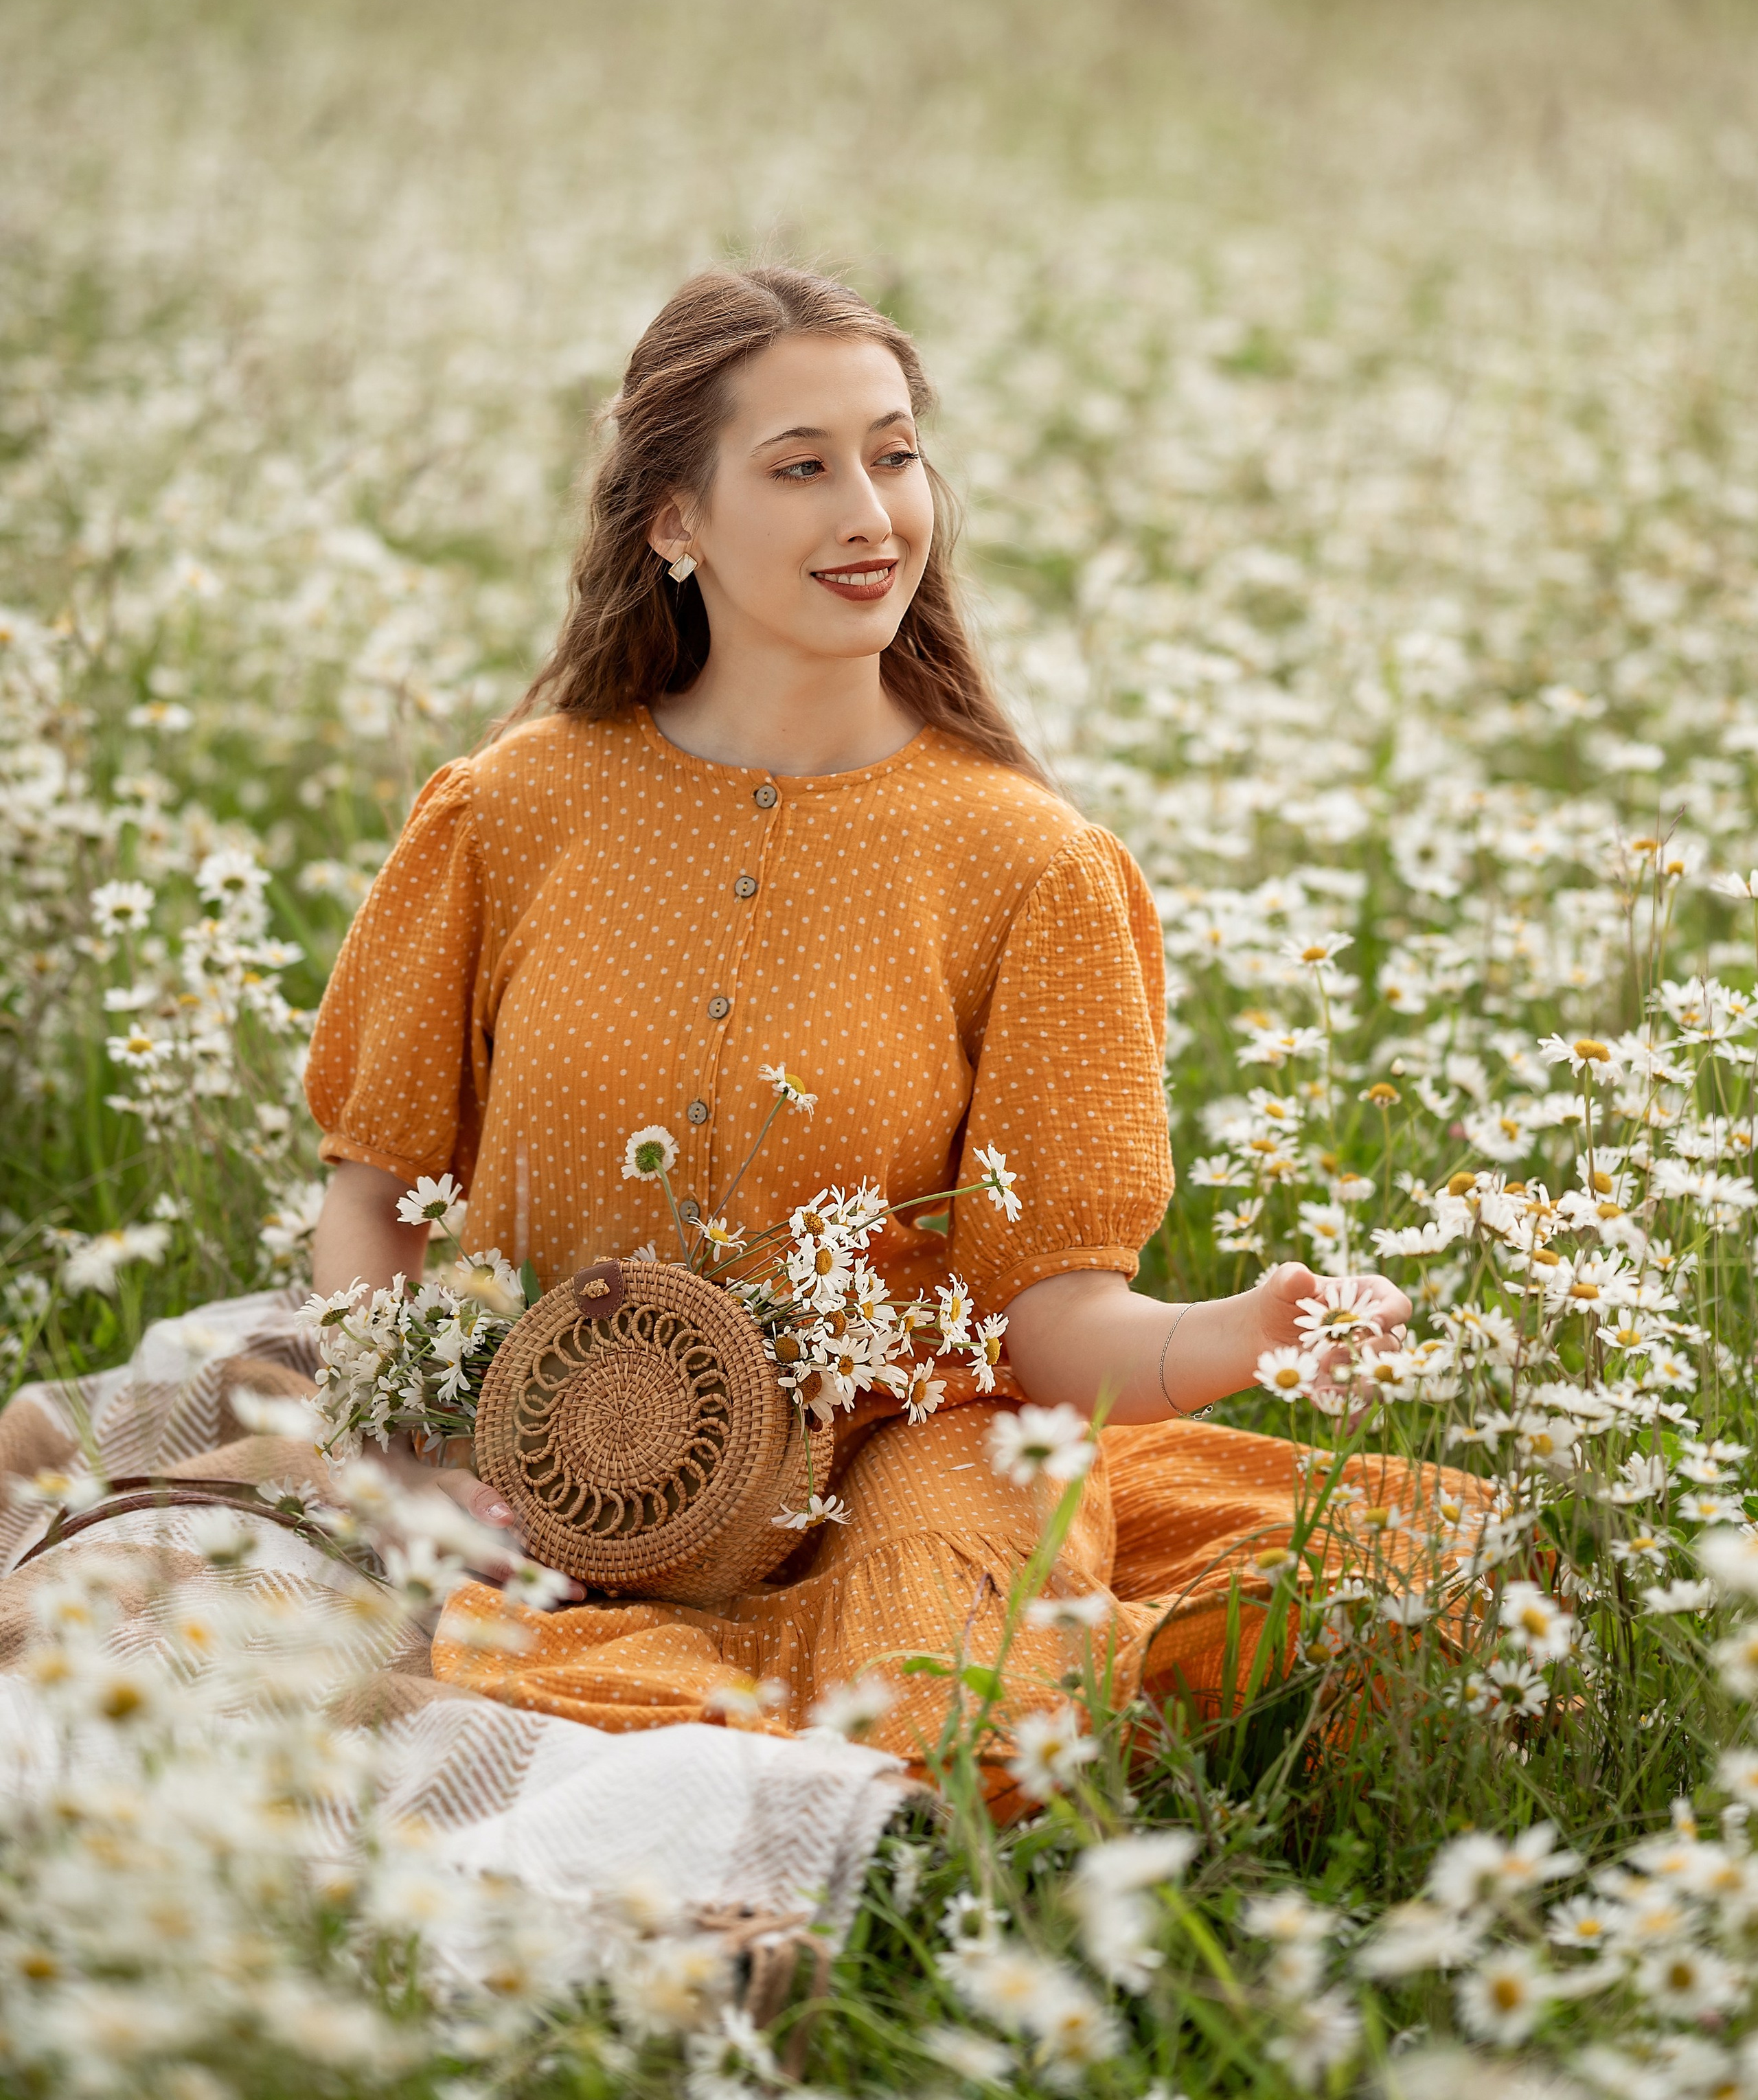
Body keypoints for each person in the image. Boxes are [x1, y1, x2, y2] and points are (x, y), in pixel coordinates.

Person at [304, 266, 1445, 1783]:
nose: (871, 511)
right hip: (560, 1449)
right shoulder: (508, 811)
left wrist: (1243, 1334)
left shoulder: (1029, 866)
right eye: (802, 465)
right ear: (673, 521)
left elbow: (1047, 1320)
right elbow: (375, 1192)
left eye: (895, 454)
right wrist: (404, 1460)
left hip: (902, 1455)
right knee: (238, 1638)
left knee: (949, 1720)